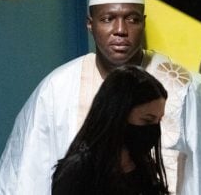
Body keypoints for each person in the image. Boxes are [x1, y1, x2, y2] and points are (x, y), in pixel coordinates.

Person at [0, 0, 201, 195]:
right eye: (108, 19)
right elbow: (22, 179)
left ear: (143, 21)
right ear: (91, 24)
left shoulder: (183, 87)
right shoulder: (58, 89)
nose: (120, 31)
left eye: (131, 19)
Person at [52, 65, 169, 195]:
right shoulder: (78, 171)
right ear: (119, 115)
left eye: (159, 121)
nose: (153, 129)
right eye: (147, 120)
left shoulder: (142, 164)